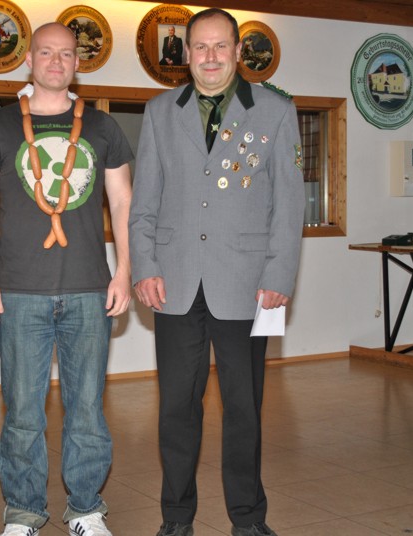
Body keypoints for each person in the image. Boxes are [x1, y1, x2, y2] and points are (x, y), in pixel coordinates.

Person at [129, 8, 305, 536]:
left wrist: (280, 274)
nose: (210, 56)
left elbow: (288, 205)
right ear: (185, 54)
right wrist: (144, 266)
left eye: (220, 46)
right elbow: (144, 203)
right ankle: (176, 518)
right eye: (200, 47)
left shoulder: (275, 111)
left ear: (237, 51)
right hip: (174, 283)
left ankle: (248, 519)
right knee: (176, 411)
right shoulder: (160, 112)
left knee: (244, 410)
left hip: (247, 286)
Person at [0, 22, 133, 536]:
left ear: (78, 63)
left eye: (66, 54)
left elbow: (123, 203)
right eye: (46, 53)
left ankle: (85, 509)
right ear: (28, 60)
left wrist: (125, 271)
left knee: (87, 410)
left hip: (89, 288)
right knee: (22, 412)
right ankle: (23, 514)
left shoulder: (103, 127)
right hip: (19, 291)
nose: (56, 62)